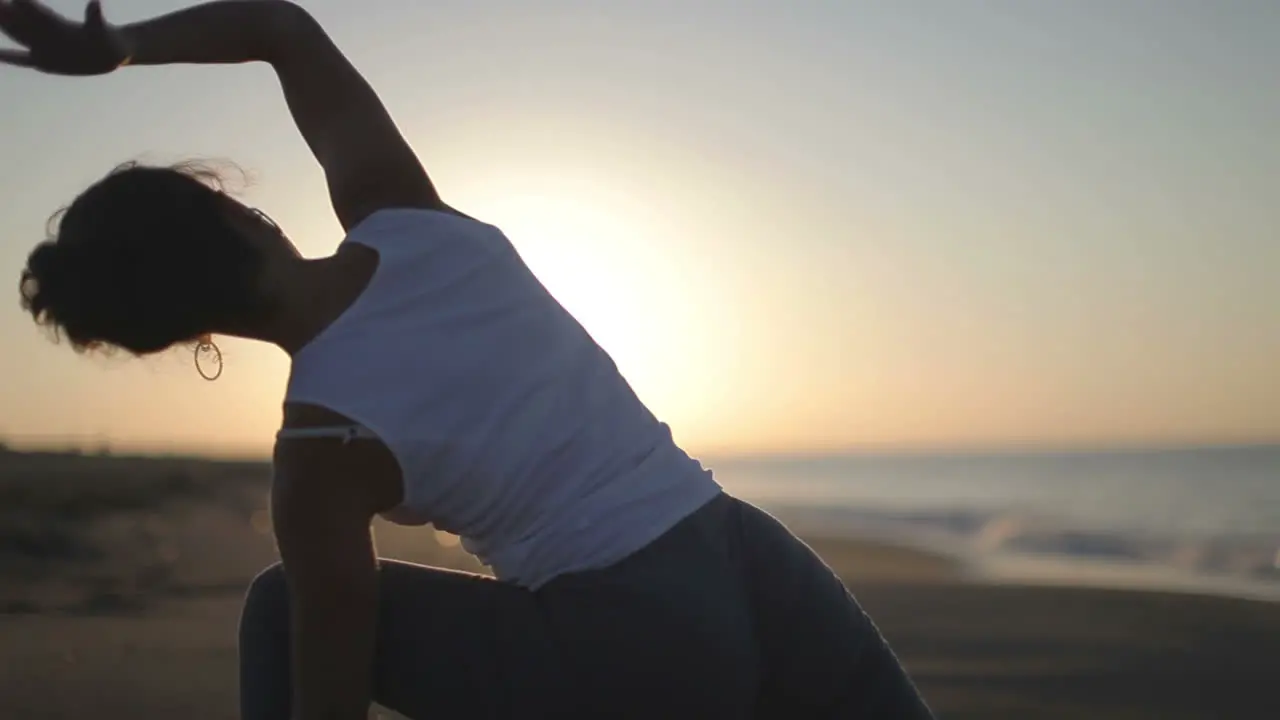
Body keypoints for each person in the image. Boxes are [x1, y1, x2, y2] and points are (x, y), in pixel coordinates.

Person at [3, 1, 935, 718]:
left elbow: (329, 688)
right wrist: (116, 44)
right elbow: (281, 27)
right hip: (743, 551)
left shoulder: (319, 448)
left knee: (283, 609)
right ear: (232, 211)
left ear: (180, 332)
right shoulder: (411, 222)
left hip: (631, 645)